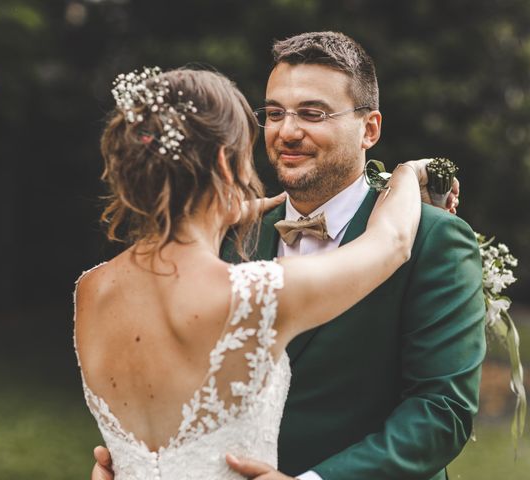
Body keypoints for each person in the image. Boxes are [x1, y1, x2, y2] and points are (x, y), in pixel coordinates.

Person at [92, 31, 485, 480]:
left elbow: (442, 411)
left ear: (369, 129)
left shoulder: (435, 239)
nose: (286, 131)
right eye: (274, 113)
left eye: (312, 114)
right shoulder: (225, 235)